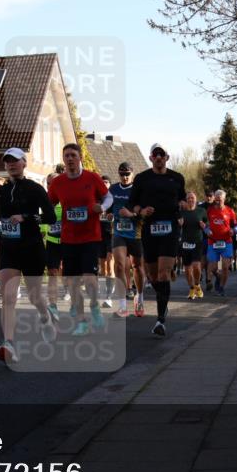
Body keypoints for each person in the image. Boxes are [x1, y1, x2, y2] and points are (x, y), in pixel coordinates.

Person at [0, 148, 57, 362]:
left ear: (24, 163)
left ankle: (44, 316)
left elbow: (49, 217)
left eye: (15, 161)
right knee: (9, 297)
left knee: (34, 296)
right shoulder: (2, 191)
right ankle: (9, 343)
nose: (11, 165)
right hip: (9, 249)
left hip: (32, 248)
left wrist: (26, 218)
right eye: (7, 162)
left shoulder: (35, 188)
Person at [48, 143, 112, 336]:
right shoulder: (58, 182)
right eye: (66, 155)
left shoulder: (92, 178)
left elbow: (109, 197)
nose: (69, 159)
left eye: (73, 155)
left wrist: (102, 207)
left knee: (90, 280)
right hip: (68, 238)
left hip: (91, 236)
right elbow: (49, 203)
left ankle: (94, 306)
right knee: (72, 282)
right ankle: (81, 322)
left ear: (80, 157)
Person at [129, 142, 187, 337]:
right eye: (156, 154)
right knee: (153, 276)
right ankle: (164, 302)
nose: (159, 157)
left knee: (163, 274)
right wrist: (142, 211)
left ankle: (160, 319)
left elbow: (183, 199)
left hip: (170, 229)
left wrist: (183, 206)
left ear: (167, 157)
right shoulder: (142, 178)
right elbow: (133, 205)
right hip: (150, 230)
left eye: (162, 154)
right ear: (151, 157)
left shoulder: (177, 178)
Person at [110, 162, 145, 318]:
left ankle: (140, 297)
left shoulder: (138, 190)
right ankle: (123, 305)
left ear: (132, 173)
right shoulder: (113, 189)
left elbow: (144, 213)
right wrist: (109, 213)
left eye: (127, 174)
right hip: (119, 232)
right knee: (119, 265)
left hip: (135, 233)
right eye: (122, 174)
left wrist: (131, 215)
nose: (124, 177)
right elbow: (108, 207)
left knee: (137, 267)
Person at [205, 190, 237, 296]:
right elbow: (205, 225)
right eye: (216, 198)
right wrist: (207, 231)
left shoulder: (230, 211)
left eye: (220, 198)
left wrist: (234, 231)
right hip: (213, 242)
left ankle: (221, 287)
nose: (218, 200)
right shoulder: (209, 210)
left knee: (225, 266)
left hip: (226, 242)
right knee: (213, 267)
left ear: (224, 199)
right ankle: (217, 277)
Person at [43, 173, 65, 320]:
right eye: (49, 183)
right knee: (52, 272)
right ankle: (53, 305)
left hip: (67, 241)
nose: (51, 186)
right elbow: (42, 218)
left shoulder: (66, 198)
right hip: (51, 240)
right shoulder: (45, 200)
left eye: (54, 183)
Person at [179, 192, 207, 299]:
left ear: (195, 199)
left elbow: (207, 223)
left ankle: (197, 285)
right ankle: (191, 288)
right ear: (186, 200)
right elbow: (178, 224)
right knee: (187, 269)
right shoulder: (182, 212)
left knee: (196, 266)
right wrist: (179, 224)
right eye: (188, 198)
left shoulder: (201, 211)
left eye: (192, 198)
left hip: (197, 242)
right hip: (185, 242)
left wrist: (204, 225)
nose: (190, 200)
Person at [98, 175, 115, 308]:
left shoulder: (113, 199)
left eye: (106, 182)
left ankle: (109, 296)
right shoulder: (97, 199)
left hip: (112, 235)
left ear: (109, 184)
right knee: (102, 268)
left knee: (110, 265)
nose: (104, 184)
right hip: (99, 236)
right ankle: (109, 288)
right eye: (102, 182)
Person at [199, 189, 216, 292]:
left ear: (214, 197)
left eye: (211, 195)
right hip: (202, 238)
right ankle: (203, 279)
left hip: (214, 238)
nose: (209, 197)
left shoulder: (217, 207)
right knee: (203, 260)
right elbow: (197, 219)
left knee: (211, 260)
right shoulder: (201, 207)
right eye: (207, 195)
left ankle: (209, 280)